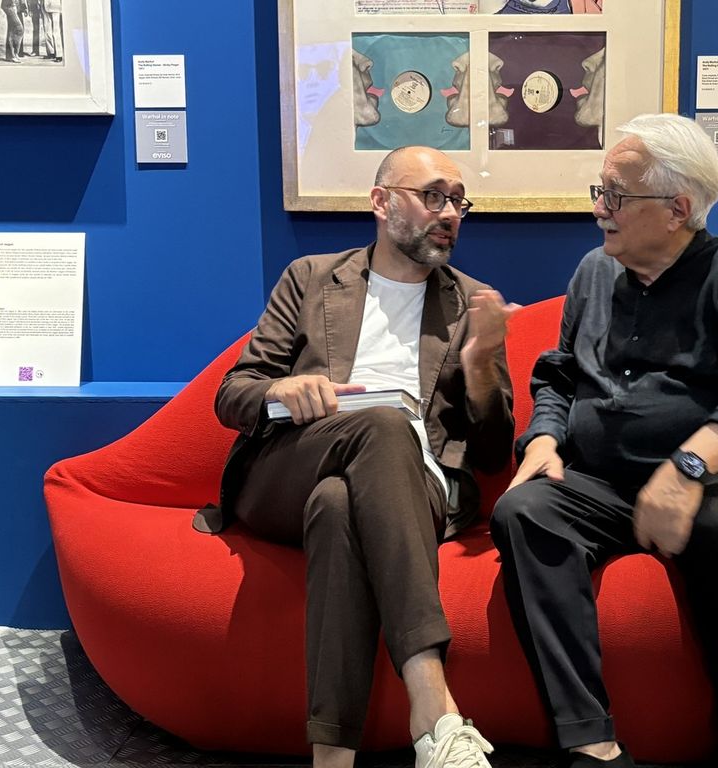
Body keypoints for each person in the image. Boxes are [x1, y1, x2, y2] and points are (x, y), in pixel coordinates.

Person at [490, 113, 718, 768]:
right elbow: (559, 376)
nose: (599, 209)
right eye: (599, 191)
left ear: (678, 209)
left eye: (616, 195)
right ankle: (591, 741)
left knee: (716, 525)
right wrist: (544, 440)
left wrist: (688, 466)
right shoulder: (593, 273)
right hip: (604, 486)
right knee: (523, 511)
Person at [209, 146, 516, 768]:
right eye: (433, 196)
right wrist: (281, 390)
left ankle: (332, 757)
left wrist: (481, 366)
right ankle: (433, 707)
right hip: (290, 468)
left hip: (415, 486)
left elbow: (490, 455)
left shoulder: (471, 305)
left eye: (459, 202)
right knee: (381, 422)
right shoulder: (311, 278)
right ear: (381, 202)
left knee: (338, 504)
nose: (449, 213)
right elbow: (232, 394)